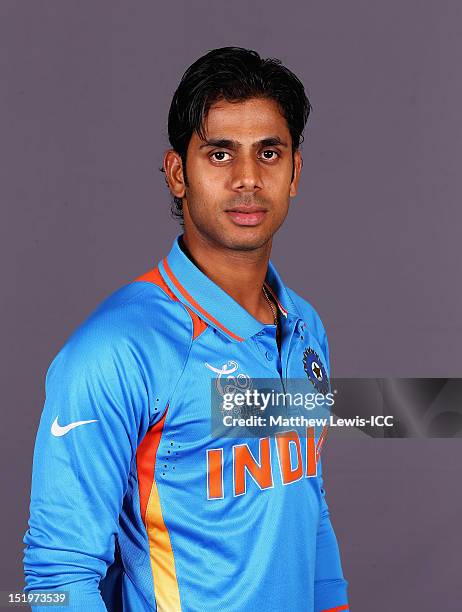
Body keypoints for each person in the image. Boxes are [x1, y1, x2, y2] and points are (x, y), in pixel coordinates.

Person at [23, 47, 349, 612]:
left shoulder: (305, 328)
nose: (247, 179)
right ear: (179, 173)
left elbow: (305, 505)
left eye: (268, 153)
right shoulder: (116, 350)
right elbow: (58, 572)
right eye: (220, 154)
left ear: (294, 172)